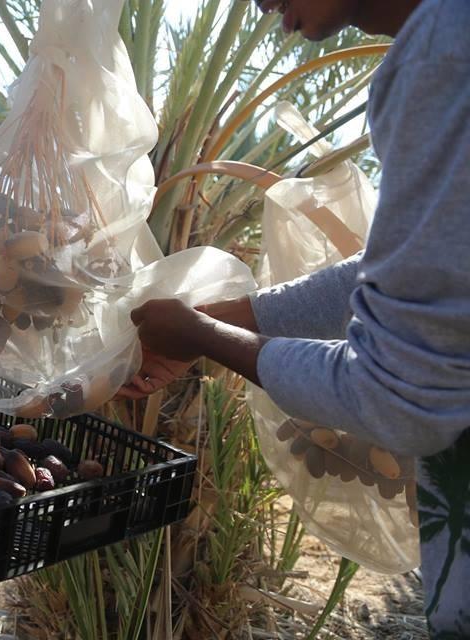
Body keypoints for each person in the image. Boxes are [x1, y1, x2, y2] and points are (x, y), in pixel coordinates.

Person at [127, 0, 469, 636]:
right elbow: (402, 267)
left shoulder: (442, 57)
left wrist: (204, 335)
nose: (263, 7)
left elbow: (398, 398)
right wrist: (212, 323)